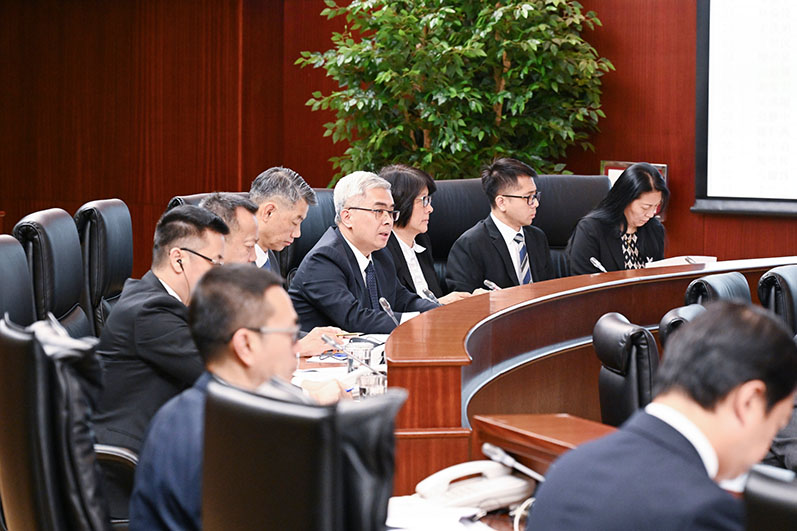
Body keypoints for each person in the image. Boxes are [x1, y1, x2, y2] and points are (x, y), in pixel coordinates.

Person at [527, 301, 797, 531]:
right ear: (749, 401)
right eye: (777, 424)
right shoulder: (704, 512)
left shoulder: (567, 469)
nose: (763, 452)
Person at [129, 265, 321, 530]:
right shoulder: (218, 439)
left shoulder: (220, 410)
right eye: (289, 334)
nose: (297, 347)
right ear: (246, 345)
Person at [92, 205, 228, 454]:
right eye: (215, 263)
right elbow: (221, 371)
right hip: (136, 452)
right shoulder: (150, 312)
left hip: (170, 433)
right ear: (178, 259)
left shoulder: (160, 298)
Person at [289, 171, 438, 333]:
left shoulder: (380, 254)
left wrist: (441, 312)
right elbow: (355, 319)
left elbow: (403, 300)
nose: (388, 221)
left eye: (390, 212)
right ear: (347, 217)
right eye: (379, 211)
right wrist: (419, 321)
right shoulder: (322, 260)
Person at [200, 192, 344, 356]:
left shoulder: (263, 263)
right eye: (249, 246)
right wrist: (295, 348)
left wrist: (312, 339)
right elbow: (222, 355)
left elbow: (262, 333)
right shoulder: (194, 298)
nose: (254, 257)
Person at [445, 157, 554, 292]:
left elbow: (549, 289)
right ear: (501, 202)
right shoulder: (470, 245)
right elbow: (463, 300)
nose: (535, 204)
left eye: (535, 196)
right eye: (528, 197)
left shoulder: (537, 237)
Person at [379, 164, 470, 304]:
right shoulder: (381, 250)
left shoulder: (421, 241)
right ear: (401, 203)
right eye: (424, 201)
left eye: (429, 200)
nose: (430, 209)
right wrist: (440, 304)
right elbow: (395, 308)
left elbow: (433, 296)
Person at [566, 162, 669, 275]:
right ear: (625, 200)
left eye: (656, 206)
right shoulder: (591, 229)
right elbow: (582, 280)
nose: (651, 214)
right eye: (645, 207)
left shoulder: (655, 229)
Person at [248, 166, 316, 275]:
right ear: (268, 212)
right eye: (294, 222)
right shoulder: (231, 264)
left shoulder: (270, 259)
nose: (297, 234)